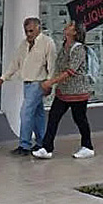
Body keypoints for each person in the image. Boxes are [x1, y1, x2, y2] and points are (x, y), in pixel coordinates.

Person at [33, 20, 95, 159]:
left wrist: (50, 82)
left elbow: (70, 71)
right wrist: (52, 83)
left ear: (75, 32)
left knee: (80, 119)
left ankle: (88, 146)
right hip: (63, 91)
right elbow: (59, 67)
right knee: (53, 117)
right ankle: (47, 148)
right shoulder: (64, 46)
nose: (66, 27)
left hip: (77, 92)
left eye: (70, 26)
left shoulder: (78, 49)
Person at [0, 17, 56, 155]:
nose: (28, 34)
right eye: (26, 31)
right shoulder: (24, 44)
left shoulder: (47, 43)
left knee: (26, 112)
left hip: (39, 83)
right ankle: (41, 143)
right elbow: (15, 63)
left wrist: (50, 83)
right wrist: (3, 78)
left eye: (31, 31)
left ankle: (24, 145)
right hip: (27, 83)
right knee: (38, 114)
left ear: (38, 29)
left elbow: (52, 65)